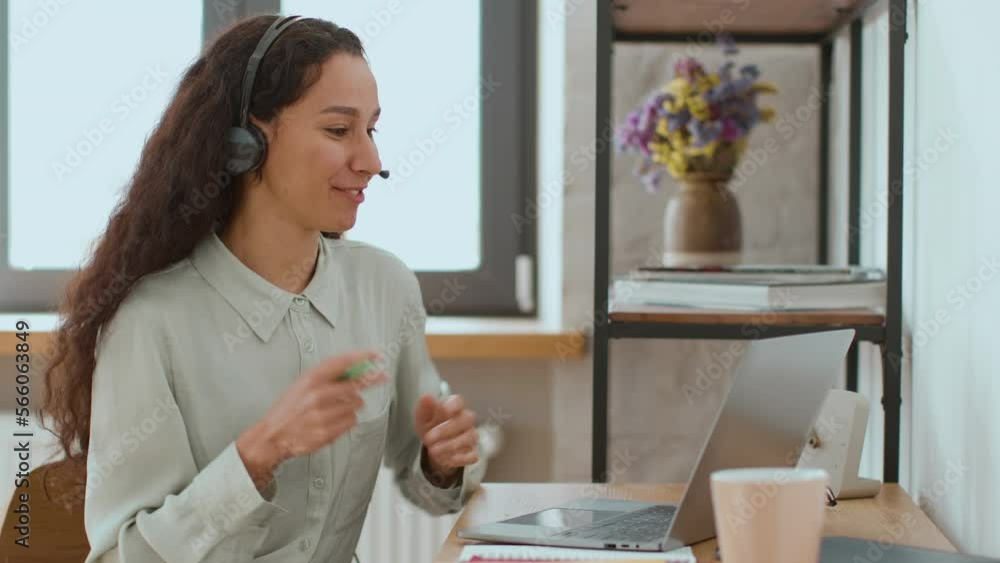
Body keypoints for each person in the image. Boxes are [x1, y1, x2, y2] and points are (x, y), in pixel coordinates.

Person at [38, 14, 486, 563]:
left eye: (371, 131)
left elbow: (430, 481)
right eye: (338, 130)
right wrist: (259, 454)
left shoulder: (384, 286)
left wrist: (442, 462)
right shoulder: (149, 322)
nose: (372, 163)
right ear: (246, 141)